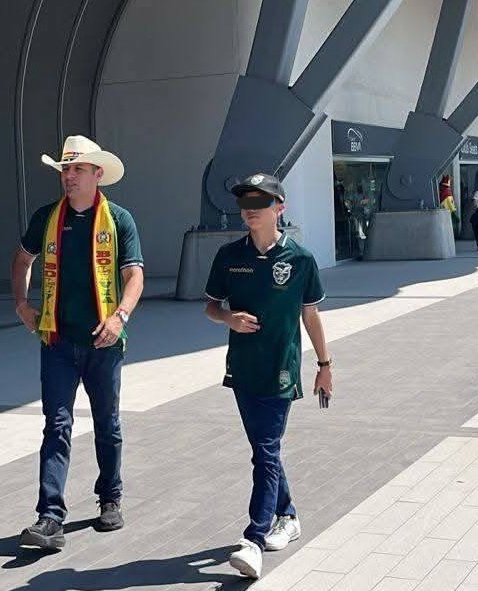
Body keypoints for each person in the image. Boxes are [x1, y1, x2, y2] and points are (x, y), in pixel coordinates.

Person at [11, 135, 144, 551]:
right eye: (65, 170)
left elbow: (134, 275)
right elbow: (23, 259)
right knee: (57, 425)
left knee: (108, 423)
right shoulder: (47, 217)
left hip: (104, 342)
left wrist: (120, 317)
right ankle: (50, 517)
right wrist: (21, 304)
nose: (69, 176)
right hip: (57, 340)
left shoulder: (118, 219)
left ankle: (110, 498)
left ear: (97, 174)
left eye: (77, 169)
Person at [203, 173, 332, 580]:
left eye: (260, 202)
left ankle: (253, 540)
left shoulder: (301, 259)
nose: (251, 209)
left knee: (265, 449)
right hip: (242, 368)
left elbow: (310, 315)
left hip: (281, 370)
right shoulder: (228, 256)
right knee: (266, 450)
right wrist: (228, 318)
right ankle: (288, 516)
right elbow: (211, 306)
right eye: (245, 202)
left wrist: (324, 366)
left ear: (280, 208)